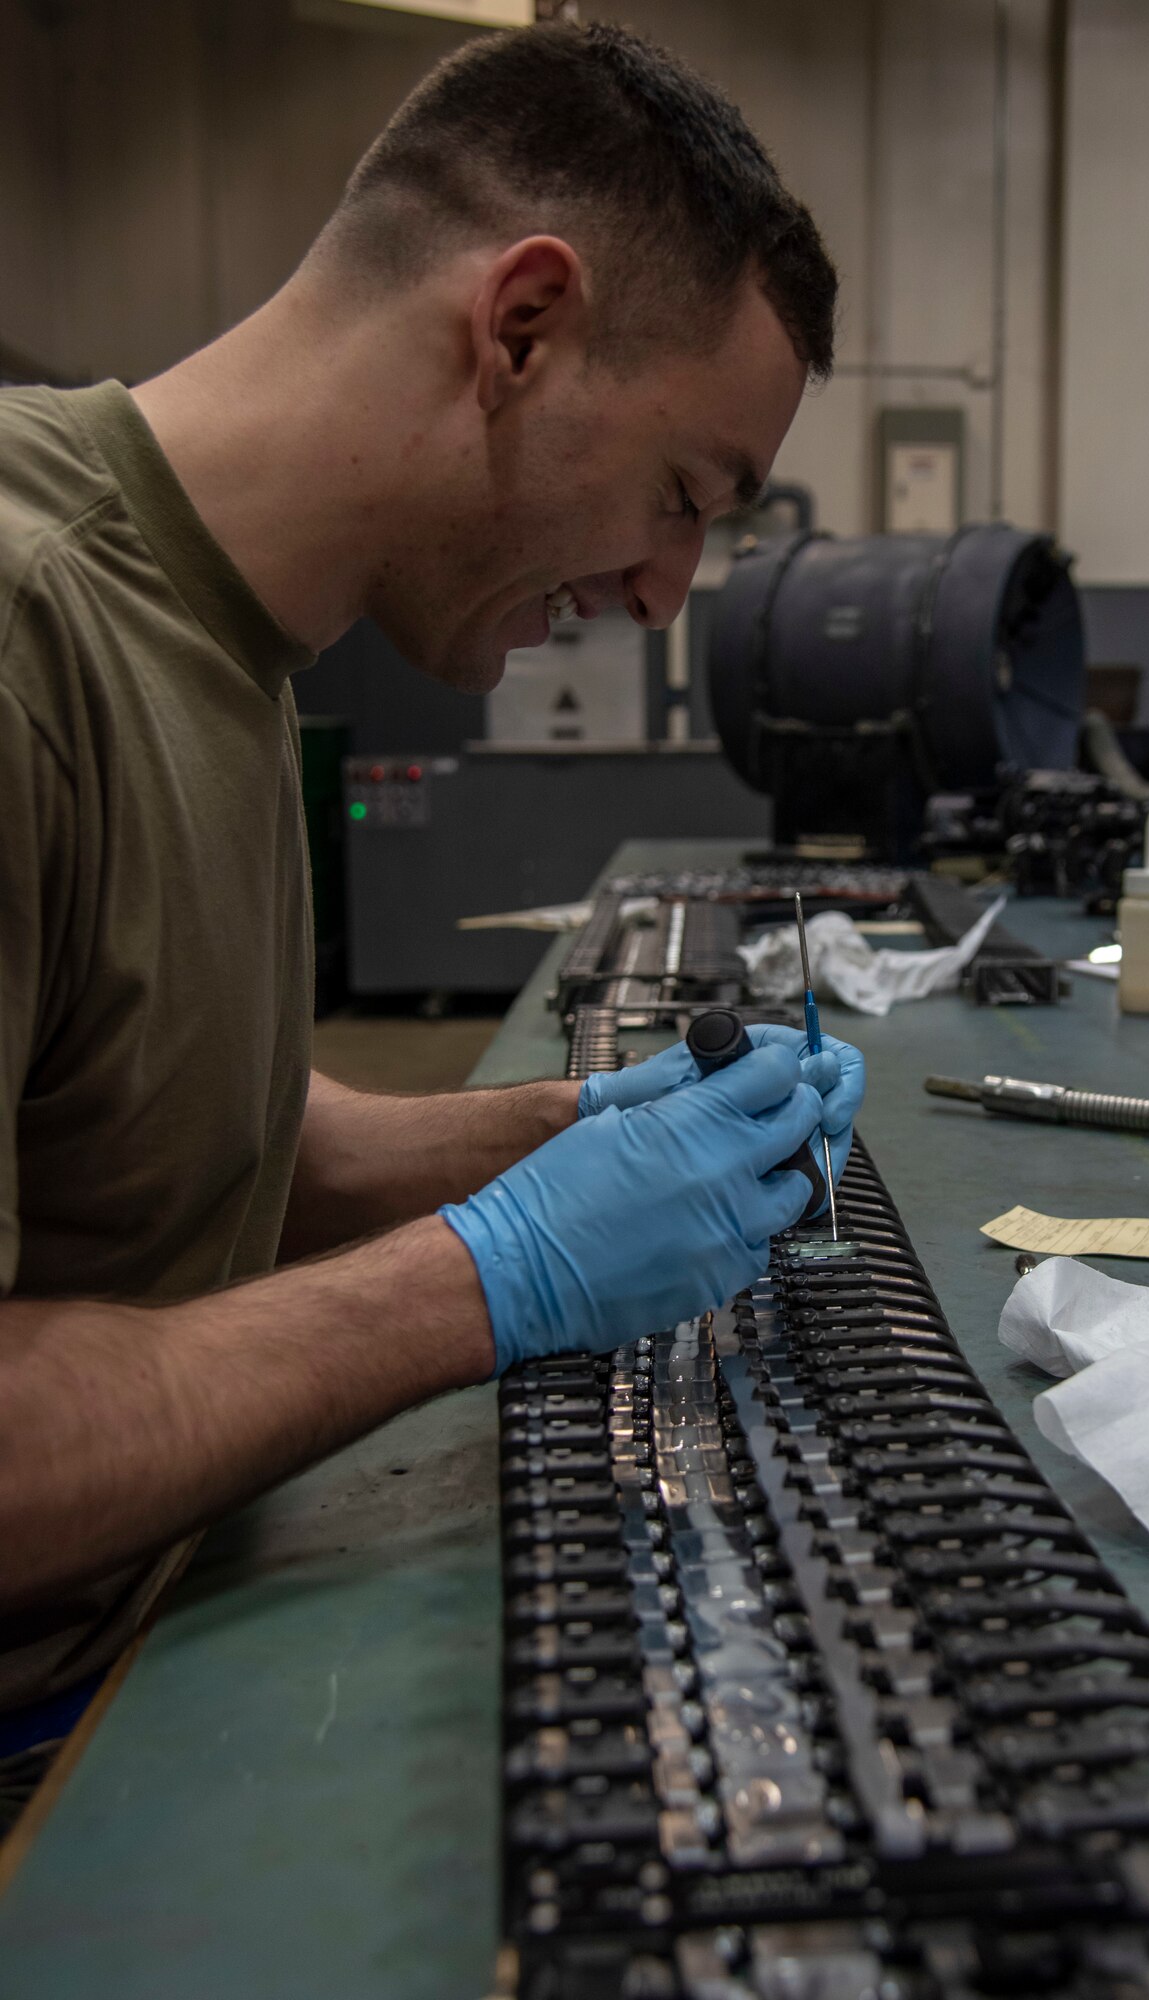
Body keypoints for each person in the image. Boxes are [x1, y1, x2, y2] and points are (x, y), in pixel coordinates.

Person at [0, 20, 863, 1770]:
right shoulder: (25, 632)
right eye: (681, 494)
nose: (660, 593)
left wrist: (583, 1129)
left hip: (156, 1601)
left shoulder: (225, 640)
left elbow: (177, 1135)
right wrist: (494, 1274)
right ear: (520, 327)